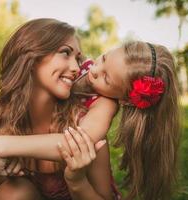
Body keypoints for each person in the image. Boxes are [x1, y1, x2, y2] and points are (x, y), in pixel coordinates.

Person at [0, 18, 120, 200]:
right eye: (65, 53)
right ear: (32, 55)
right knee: (13, 193)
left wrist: (78, 181)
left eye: (78, 59)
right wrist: (0, 172)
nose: (76, 68)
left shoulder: (83, 121)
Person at [58, 41, 181, 200]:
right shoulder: (80, 65)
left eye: (106, 79)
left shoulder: (104, 106)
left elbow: (74, 142)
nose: (94, 70)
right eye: (103, 58)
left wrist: (78, 182)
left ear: (124, 99)